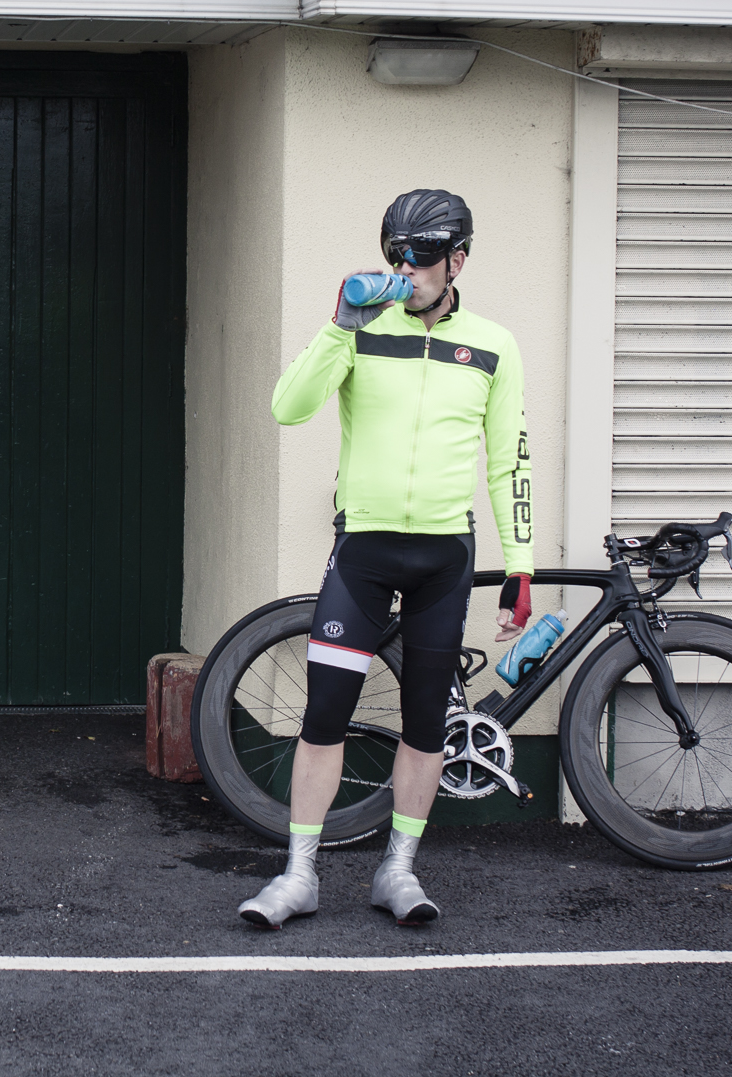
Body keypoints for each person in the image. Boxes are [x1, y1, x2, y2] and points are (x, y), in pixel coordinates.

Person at [238, 189, 534, 930]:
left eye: (421, 257)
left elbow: (510, 464)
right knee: (324, 714)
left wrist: (520, 566)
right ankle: (299, 874)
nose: (405, 268)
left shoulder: (495, 344)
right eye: (395, 254)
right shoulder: (360, 331)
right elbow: (287, 405)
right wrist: (340, 326)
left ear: (457, 259)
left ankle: (397, 869)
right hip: (364, 550)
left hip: (444, 558)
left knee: (425, 721)